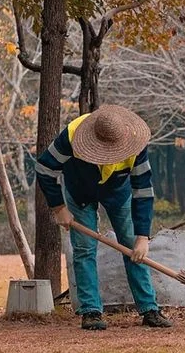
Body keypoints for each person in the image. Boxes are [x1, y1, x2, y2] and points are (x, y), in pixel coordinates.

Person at [35, 105, 173, 330]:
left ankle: (149, 308)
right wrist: (58, 207)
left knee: (133, 248)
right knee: (84, 249)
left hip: (119, 193)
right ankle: (91, 311)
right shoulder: (71, 136)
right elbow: (44, 168)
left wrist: (142, 236)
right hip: (79, 190)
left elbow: (143, 191)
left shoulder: (136, 142)